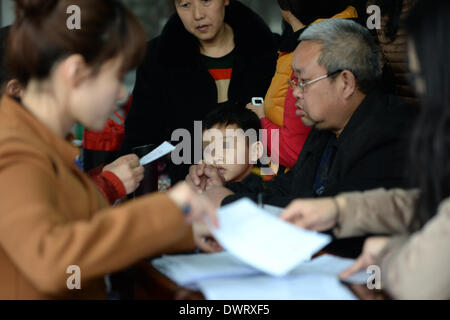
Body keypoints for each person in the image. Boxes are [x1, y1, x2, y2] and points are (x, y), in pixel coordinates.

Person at [0, 0, 217, 300]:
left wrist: (181, 230)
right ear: (75, 72)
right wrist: (166, 211)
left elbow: (82, 226)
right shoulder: (13, 148)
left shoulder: (42, 142)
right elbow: (52, 261)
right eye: (115, 76)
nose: (121, 92)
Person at [280, 0, 449, 299]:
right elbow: (422, 205)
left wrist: (387, 257)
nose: (294, 92)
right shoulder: (326, 127)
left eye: (423, 81)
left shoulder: (390, 130)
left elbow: (424, 277)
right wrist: (339, 211)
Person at [187, 19, 415, 211]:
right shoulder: (325, 130)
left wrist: (228, 201)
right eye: (293, 81)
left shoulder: (390, 135)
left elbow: (322, 212)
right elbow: (286, 189)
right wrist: (221, 188)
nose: (294, 92)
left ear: (346, 82)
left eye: (303, 82)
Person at [119, 0, 278, 184]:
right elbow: (140, 137)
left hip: (263, 190)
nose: (197, 15)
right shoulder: (156, 60)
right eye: (185, 5)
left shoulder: (269, 54)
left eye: (206, 1)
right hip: (189, 190)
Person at [0, 25, 143, 205]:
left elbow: (60, 192)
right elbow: (52, 219)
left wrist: (103, 176)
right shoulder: (14, 148)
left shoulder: (40, 135)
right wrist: (109, 184)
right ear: (16, 89)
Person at [246, 0, 357, 169]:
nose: (298, 91)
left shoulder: (306, 60)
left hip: (301, 182)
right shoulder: (352, 34)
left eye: (303, 83)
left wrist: (260, 118)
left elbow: (294, 151)